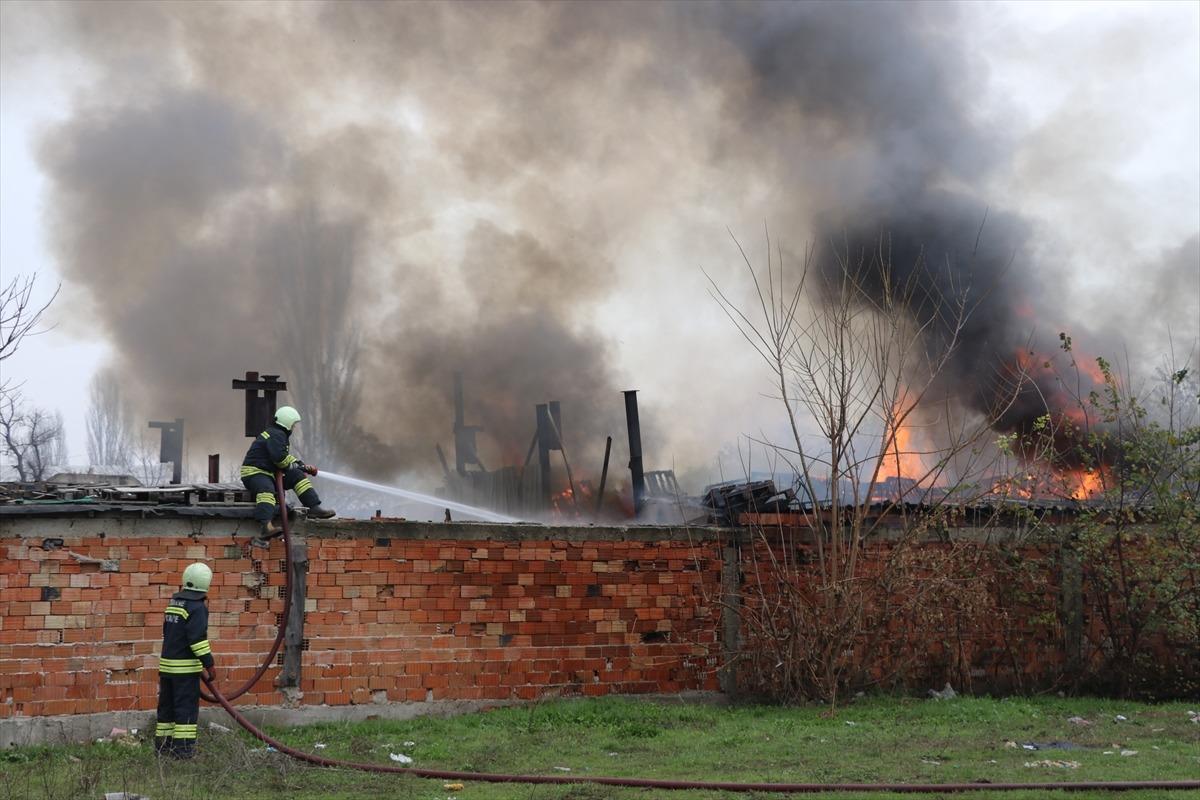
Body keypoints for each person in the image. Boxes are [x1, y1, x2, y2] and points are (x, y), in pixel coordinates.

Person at [240, 405, 335, 547]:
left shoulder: (278, 435)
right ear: (288, 423)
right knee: (267, 490)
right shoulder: (276, 434)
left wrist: (300, 465)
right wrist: (295, 465)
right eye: (294, 425)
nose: (294, 428)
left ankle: (314, 507)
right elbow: (279, 458)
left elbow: (284, 458)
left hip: (270, 474)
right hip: (255, 472)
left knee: (297, 475)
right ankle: (266, 526)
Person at [155, 562, 215, 759]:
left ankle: (163, 748)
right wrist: (209, 664)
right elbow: (197, 640)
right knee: (185, 711)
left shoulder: (174, 603)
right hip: (185, 671)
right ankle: (183, 752)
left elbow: (167, 633)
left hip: (167, 668)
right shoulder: (198, 608)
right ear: (206, 584)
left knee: (167, 710)